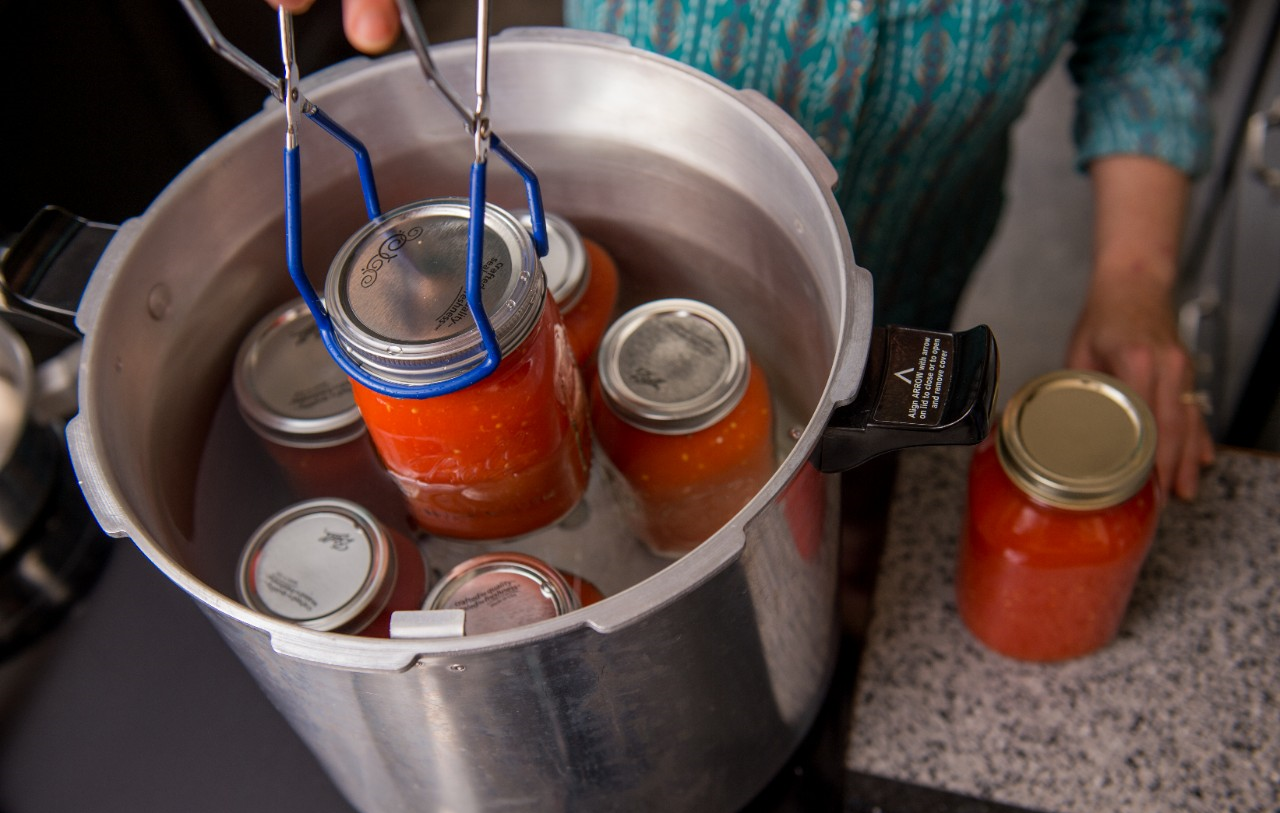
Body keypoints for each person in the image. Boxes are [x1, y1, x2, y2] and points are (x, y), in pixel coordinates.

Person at [266, 0, 1223, 502]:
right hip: (627, 217)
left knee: (863, 466)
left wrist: (1135, 278)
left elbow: (1155, 26)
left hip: (913, 250)